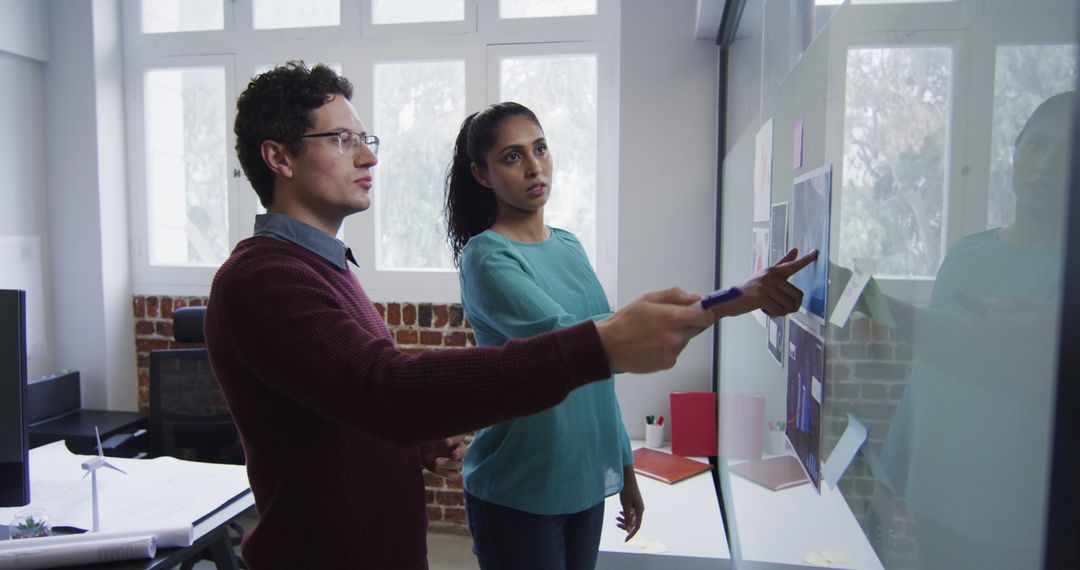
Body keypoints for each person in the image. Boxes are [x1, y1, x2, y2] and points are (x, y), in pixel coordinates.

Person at [205, 61, 815, 569]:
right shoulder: (265, 279)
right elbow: (384, 389)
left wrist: (406, 443)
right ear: (278, 158)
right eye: (342, 140)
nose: (367, 156)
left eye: (367, 139)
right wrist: (611, 342)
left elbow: (352, 401)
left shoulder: (327, 268)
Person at [443, 101, 817, 569]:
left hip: (583, 480)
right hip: (521, 485)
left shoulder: (568, 245)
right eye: (512, 157)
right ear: (482, 174)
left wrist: (623, 468)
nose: (535, 167)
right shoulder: (487, 257)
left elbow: (599, 375)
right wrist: (730, 300)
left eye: (540, 149)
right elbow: (583, 344)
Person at [874, 91, 1076, 569]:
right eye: (1039, 145)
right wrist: (892, 469)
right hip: (937, 499)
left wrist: (882, 308)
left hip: (1016, 521)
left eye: (1070, 154)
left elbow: (982, 358)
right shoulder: (967, 254)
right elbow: (929, 372)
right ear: (1017, 150)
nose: (1047, 164)